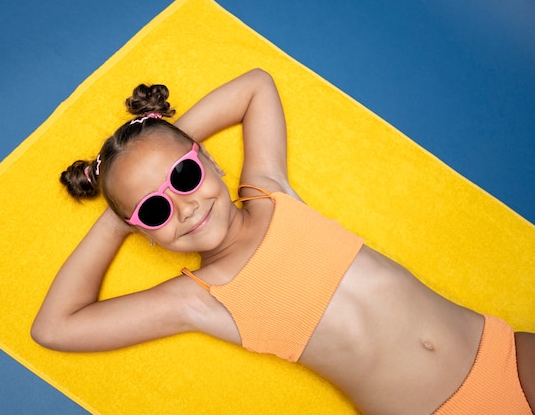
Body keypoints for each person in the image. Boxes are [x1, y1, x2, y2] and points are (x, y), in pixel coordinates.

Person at [31, 69, 534, 414]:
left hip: (507, 352)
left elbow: (256, 86)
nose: (183, 206)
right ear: (146, 236)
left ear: (209, 160)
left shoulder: (270, 194)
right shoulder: (199, 300)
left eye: (184, 176)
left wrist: (150, 142)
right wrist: (117, 215)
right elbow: (55, 327)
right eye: (155, 209)